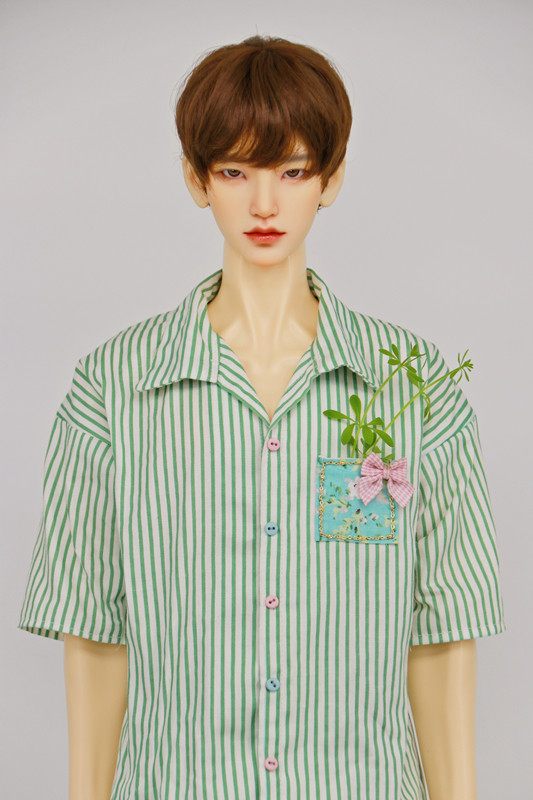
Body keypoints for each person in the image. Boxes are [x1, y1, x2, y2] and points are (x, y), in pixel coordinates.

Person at [18, 34, 505, 800]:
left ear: (331, 178)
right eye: (234, 172)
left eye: (292, 171)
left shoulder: (417, 394)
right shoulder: (110, 391)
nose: (265, 204)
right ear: (195, 178)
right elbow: (94, 633)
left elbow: (441, 634)